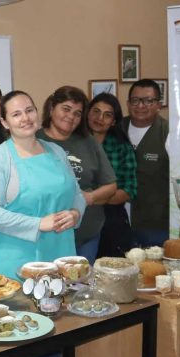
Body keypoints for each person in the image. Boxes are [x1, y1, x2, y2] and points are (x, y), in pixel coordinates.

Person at [0, 91, 85, 357]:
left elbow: (78, 195)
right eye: (16, 114)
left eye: (29, 109)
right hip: (19, 257)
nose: (25, 118)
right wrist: (37, 224)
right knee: (27, 325)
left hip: (59, 253)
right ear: (4, 122)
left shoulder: (55, 151)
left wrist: (75, 214)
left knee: (55, 321)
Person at [37, 86, 117, 264]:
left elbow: (111, 185)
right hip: (46, 236)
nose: (71, 117)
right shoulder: (34, 140)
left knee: (80, 288)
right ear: (51, 108)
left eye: (77, 113)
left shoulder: (88, 142)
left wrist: (87, 198)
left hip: (86, 235)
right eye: (66, 109)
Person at [88, 93, 138, 257]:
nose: (100, 118)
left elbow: (129, 190)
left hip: (112, 221)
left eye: (107, 115)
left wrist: (93, 198)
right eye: (96, 111)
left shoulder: (122, 147)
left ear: (114, 121)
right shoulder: (74, 143)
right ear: (88, 113)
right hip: (80, 220)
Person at [124, 79, 170, 247]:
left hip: (155, 225)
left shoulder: (169, 133)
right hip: (117, 223)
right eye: (135, 100)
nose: (141, 106)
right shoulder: (115, 129)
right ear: (128, 104)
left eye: (148, 101)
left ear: (159, 104)